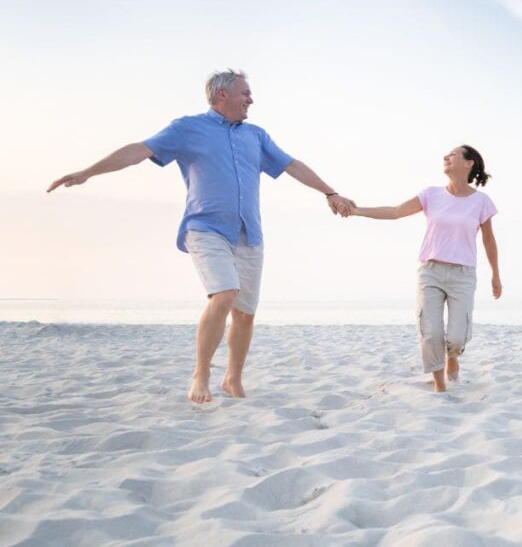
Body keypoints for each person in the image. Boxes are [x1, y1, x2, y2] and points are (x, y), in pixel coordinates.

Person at [47, 70, 355, 403]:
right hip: (205, 228)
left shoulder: (256, 135)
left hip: (249, 233)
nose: (251, 99)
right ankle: (201, 373)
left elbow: (292, 165)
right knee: (224, 293)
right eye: (245, 93)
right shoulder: (188, 128)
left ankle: (232, 379)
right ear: (222, 95)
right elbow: (139, 150)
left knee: (245, 313)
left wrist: (330, 193)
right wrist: (88, 172)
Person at [351, 145, 501, 392]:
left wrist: (495, 275)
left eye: (453, 155)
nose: (446, 157)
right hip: (430, 271)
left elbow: (489, 240)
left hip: (462, 275)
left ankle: (452, 356)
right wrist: (357, 211)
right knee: (430, 333)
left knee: (456, 337)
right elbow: (396, 212)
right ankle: (439, 386)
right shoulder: (430, 194)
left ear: (468, 163)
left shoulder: (481, 202)